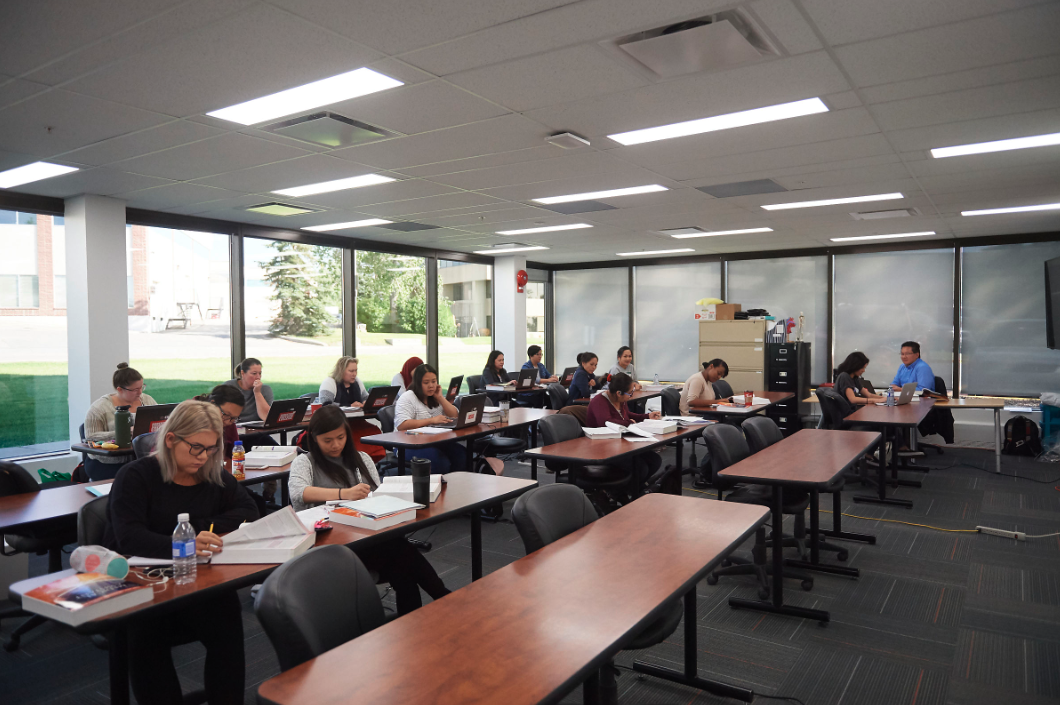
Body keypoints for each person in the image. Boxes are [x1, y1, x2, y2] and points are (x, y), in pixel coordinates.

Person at [104, 400, 259, 705]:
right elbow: (129, 537)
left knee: (228, 614)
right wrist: (182, 540)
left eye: (212, 449)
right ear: (171, 439)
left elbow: (249, 511)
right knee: (146, 633)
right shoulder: (136, 476)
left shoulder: (211, 475)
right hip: (144, 586)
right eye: (197, 448)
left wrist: (197, 527)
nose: (204, 457)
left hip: (196, 582)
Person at [288, 405, 451, 615]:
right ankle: (441, 596)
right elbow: (298, 493)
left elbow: (377, 493)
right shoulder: (306, 462)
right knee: (400, 552)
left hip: (365, 535)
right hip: (331, 546)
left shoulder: (361, 458)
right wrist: (343, 494)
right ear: (314, 438)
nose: (335, 445)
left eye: (340, 437)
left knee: (401, 564)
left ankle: (415, 617)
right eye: (327, 440)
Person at [395, 364, 503, 474]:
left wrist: (440, 398)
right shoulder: (408, 397)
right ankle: (439, 489)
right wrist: (431, 420)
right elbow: (402, 425)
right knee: (441, 462)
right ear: (417, 383)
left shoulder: (435, 397)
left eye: (434, 381)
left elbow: (454, 415)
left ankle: (457, 487)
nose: (431, 386)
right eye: (426, 383)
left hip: (435, 441)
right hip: (409, 444)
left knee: (462, 456)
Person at [585, 372, 663, 494]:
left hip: (621, 444)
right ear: (618, 393)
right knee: (640, 467)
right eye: (629, 393)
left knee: (654, 460)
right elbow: (606, 422)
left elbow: (627, 415)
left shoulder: (620, 400)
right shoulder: (599, 402)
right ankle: (622, 494)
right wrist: (628, 423)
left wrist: (647, 416)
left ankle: (634, 489)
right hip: (603, 448)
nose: (631, 395)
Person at [84, 362, 159, 480]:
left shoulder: (147, 400)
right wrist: (124, 432)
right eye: (135, 389)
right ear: (120, 389)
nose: (140, 392)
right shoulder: (99, 408)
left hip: (141, 457)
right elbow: (91, 436)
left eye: (141, 387)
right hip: (108, 463)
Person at [318, 356, 385, 462]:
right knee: (356, 436)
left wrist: (366, 403)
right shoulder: (330, 382)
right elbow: (326, 405)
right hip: (337, 424)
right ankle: (356, 462)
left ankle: (368, 463)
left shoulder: (357, 382)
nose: (354, 374)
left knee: (374, 431)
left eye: (356, 371)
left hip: (356, 421)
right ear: (341, 371)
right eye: (351, 371)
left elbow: (366, 398)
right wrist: (349, 406)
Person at [193, 384, 245, 459]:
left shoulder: (229, 421)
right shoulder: (191, 417)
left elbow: (234, 455)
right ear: (213, 403)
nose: (228, 422)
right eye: (226, 414)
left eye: (234, 418)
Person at [224, 358, 273, 423]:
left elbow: (266, 417)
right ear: (243, 373)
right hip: (235, 426)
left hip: (257, 428)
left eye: (260, 373)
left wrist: (257, 392)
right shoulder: (229, 387)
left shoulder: (265, 389)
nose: (258, 377)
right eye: (254, 373)